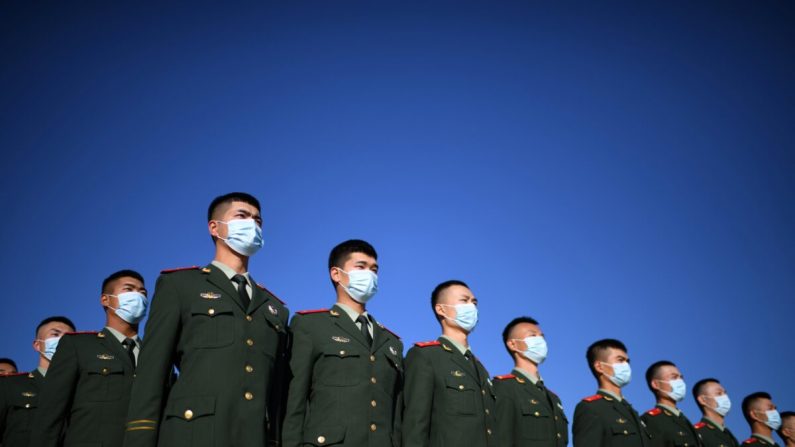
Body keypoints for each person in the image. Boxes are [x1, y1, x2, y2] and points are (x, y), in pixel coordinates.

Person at [123, 192, 290, 447]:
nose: (252, 225)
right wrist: (140, 438)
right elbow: (152, 372)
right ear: (215, 227)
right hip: (193, 434)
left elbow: (276, 390)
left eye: (258, 220)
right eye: (242, 216)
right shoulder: (180, 286)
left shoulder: (275, 308)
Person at [282, 239, 403, 447]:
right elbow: (294, 400)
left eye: (374, 269)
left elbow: (397, 416)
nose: (370, 275)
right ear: (336, 274)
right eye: (361, 267)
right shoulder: (311, 325)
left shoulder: (392, 342)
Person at [30, 270, 148, 447]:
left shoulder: (154, 351)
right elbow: (50, 414)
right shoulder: (78, 346)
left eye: (142, 293)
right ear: (105, 299)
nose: (137, 296)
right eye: (129, 289)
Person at [402, 280, 496, 447]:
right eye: (464, 300)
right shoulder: (426, 356)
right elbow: (415, 425)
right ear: (441, 309)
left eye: (474, 303)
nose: (472, 307)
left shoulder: (481, 370)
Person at [0, 316, 75, 447]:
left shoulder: (83, 390)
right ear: (37, 344)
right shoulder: (10, 386)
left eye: (68, 337)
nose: (62, 340)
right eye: (55, 334)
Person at [493, 316, 568, 447]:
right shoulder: (504, 387)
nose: (540, 340)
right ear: (513, 344)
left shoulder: (553, 399)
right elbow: (500, 438)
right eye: (533, 335)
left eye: (542, 336)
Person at [572, 338, 652, 447]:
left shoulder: (631, 411)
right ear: (600, 367)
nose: (626, 365)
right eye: (620, 360)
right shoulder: (591, 408)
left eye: (627, 361)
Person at [640, 360, 703, 446]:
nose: (680, 381)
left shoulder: (684, 420)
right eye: (674, 377)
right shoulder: (651, 420)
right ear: (656, 384)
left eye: (681, 377)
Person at [692, 378, 740, 447]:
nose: (725, 397)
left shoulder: (729, 435)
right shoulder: (697, 433)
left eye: (725, 393)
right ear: (703, 400)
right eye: (719, 393)